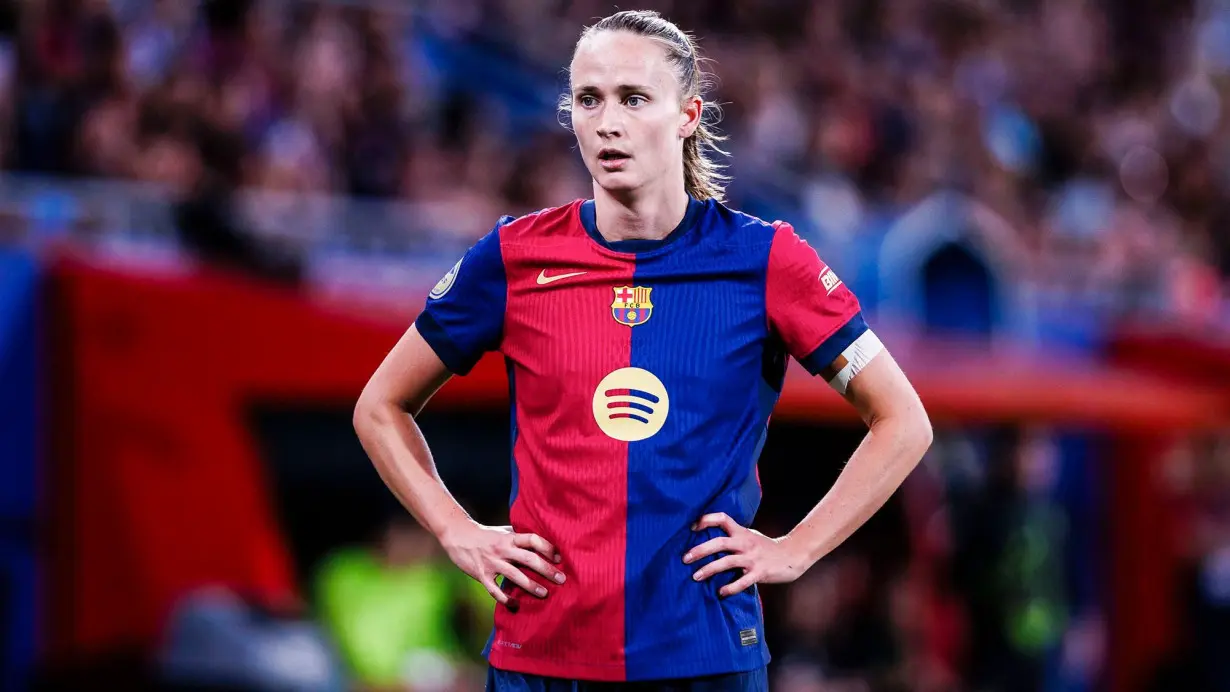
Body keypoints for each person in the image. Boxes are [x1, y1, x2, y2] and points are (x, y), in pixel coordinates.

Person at [353, 9, 932, 691]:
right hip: (540, 657)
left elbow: (904, 421)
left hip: (705, 658)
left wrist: (795, 551)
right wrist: (456, 531)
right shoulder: (513, 259)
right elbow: (380, 406)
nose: (607, 121)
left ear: (686, 114)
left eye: (633, 98)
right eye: (589, 99)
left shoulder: (768, 262)